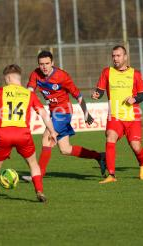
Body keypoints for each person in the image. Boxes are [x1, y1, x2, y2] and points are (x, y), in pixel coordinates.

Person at [0, 64, 58, 203]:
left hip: (3, 134)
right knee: (33, 164)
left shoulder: (0, 92)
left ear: (8, 78)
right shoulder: (29, 94)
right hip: (23, 135)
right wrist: (52, 131)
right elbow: (44, 114)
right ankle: (39, 191)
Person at [22, 50, 106, 181]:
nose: (44, 66)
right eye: (41, 64)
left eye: (47, 63)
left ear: (52, 63)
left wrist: (86, 113)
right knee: (65, 149)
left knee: (47, 138)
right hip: (53, 113)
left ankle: (38, 174)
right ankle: (99, 156)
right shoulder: (35, 74)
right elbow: (30, 91)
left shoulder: (62, 76)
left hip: (64, 112)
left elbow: (78, 96)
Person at [92, 45, 143, 184]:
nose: (115, 58)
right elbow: (100, 90)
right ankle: (111, 175)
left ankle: (142, 165)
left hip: (132, 117)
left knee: (136, 146)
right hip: (115, 115)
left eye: (118, 55)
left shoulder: (135, 74)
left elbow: (142, 94)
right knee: (110, 137)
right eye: (113, 56)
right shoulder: (107, 72)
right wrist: (97, 95)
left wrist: (134, 99)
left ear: (125, 57)